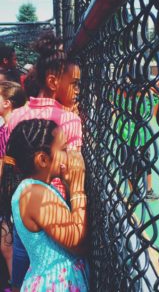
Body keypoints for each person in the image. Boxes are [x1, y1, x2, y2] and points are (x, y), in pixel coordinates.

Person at [7, 31, 83, 290]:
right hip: (62, 215)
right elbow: (73, 167)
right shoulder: (69, 121)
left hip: (22, 214)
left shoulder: (15, 116)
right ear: (53, 81)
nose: (78, 91)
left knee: (23, 264)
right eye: (74, 84)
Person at [2, 118, 89, 291]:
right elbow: (76, 243)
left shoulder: (37, 189)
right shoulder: (34, 193)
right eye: (63, 149)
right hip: (53, 284)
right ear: (43, 159)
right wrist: (78, 186)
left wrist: (67, 184)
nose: (69, 153)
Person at [0, 81, 26, 287]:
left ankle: (17, 284)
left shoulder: (15, 128)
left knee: (11, 241)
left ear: (7, 103)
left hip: (14, 188)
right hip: (9, 189)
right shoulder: (6, 128)